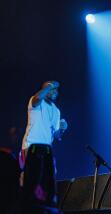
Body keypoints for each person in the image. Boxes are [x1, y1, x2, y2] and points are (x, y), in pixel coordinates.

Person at [20, 81, 68, 211]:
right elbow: (38, 98)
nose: (54, 91)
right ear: (44, 90)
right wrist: (48, 87)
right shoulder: (35, 101)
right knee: (30, 181)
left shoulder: (56, 111)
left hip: (47, 150)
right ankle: (25, 207)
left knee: (47, 182)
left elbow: (57, 136)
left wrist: (62, 129)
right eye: (50, 88)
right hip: (30, 147)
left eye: (55, 90)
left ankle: (45, 207)